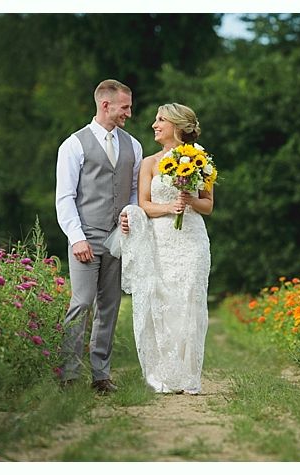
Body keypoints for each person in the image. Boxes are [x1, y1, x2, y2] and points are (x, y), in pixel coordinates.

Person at [117, 103, 212, 394]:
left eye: (160, 120)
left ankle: (188, 375)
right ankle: (164, 373)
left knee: (190, 300)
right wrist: (168, 207)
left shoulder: (202, 160)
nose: (154, 124)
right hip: (160, 241)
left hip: (192, 239)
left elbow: (208, 205)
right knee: (163, 301)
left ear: (177, 125)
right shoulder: (149, 163)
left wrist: (189, 200)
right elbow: (144, 203)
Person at [55, 79, 143, 394]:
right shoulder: (74, 144)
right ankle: (68, 374)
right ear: (105, 105)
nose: (129, 114)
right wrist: (76, 237)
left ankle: (101, 375)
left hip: (118, 238)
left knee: (110, 305)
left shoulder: (133, 145)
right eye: (125, 107)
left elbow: (133, 190)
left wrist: (130, 214)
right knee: (81, 302)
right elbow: (64, 197)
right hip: (86, 235)